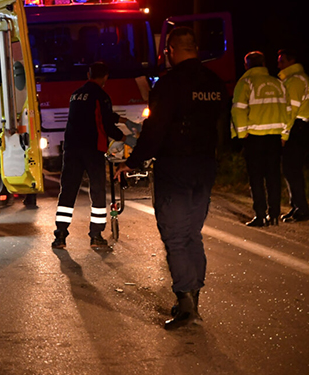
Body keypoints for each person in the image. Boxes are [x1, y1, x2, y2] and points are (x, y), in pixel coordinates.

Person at [115, 27, 228, 330]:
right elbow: (221, 126)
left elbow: (156, 131)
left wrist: (132, 162)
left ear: (171, 50)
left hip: (176, 168)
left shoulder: (169, 84)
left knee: (176, 236)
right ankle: (193, 295)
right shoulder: (215, 83)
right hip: (205, 166)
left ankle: (186, 303)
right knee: (192, 232)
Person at [52, 61, 126, 251]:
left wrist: (119, 118)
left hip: (72, 148)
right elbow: (106, 121)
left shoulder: (76, 95)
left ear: (88, 74)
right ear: (105, 77)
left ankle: (60, 235)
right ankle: (96, 235)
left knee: (68, 191)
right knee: (98, 191)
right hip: (92, 148)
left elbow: (92, 114)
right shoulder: (101, 95)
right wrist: (122, 136)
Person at [231, 51, 290, 227]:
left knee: (256, 177)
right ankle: (274, 214)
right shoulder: (277, 83)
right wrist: (284, 134)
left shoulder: (246, 83)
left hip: (254, 137)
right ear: (264, 64)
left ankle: (260, 215)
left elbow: (238, 110)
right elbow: (287, 110)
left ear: (247, 65)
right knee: (273, 176)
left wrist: (242, 134)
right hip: (274, 137)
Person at [277, 49, 309, 222]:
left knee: (291, 169)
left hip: (296, 127)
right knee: (292, 169)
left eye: (282, 61)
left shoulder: (295, 80)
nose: (279, 64)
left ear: (291, 61)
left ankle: (301, 208)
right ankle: (296, 206)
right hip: (300, 127)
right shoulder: (297, 78)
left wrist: (284, 134)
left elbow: (291, 110)